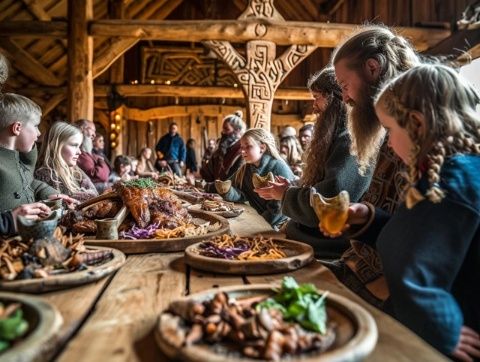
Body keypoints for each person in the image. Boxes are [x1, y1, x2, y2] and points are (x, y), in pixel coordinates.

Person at [323, 64, 480, 361]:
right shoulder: (455, 171)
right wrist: (369, 220)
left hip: (444, 335)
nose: (390, 141)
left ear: (417, 125)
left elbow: (410, 264)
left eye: (390, 130)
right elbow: (419, 238)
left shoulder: (448, 183)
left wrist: (441, 328)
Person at [255, 67, 372, 257]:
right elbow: (319, 183)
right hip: (306, 236)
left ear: (335, 98)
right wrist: (294, 186)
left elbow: (330, 199)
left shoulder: (350, 141)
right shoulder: (337, 138)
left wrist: (286, 195)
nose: (314, 106)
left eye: (317, 97)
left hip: (325, 246)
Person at [0, 93, 74, 211]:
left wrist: (50, 193)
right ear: (17, 128)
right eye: (35, 126)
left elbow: (27, 183)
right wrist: (10, 220)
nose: (39, 133)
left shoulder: (18, 156)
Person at [216, 128, 295, 229]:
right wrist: (227, 190)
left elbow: (279, 209)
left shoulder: (279, 167)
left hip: (280, 227)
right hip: (261, 221)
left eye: (248, 146)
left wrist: (258, 225)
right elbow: (241, 194)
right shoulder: (245, 169)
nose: (242, 151)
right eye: (242, 147)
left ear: (262, 148)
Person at [35, 121, 98, 202]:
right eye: (74, 145)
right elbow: (62, 206)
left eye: (79, 146)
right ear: (56, 146)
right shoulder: (44, 176)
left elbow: (95, 195)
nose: (79, 152)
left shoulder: (76, 171)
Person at [201, 111, 246, 183]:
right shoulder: (221, 150)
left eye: (227, 129)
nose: (223, 132)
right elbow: (207, 172)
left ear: (237, 131)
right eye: (223, 129)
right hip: (215, 191)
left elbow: (233, 181)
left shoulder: (242, 152)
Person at [75, 119, 110, 193]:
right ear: (82, 128)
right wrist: (101, 161)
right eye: (93, 130)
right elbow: (100, 176)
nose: (94, 134)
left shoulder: (88, 153)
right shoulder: (81, 153)